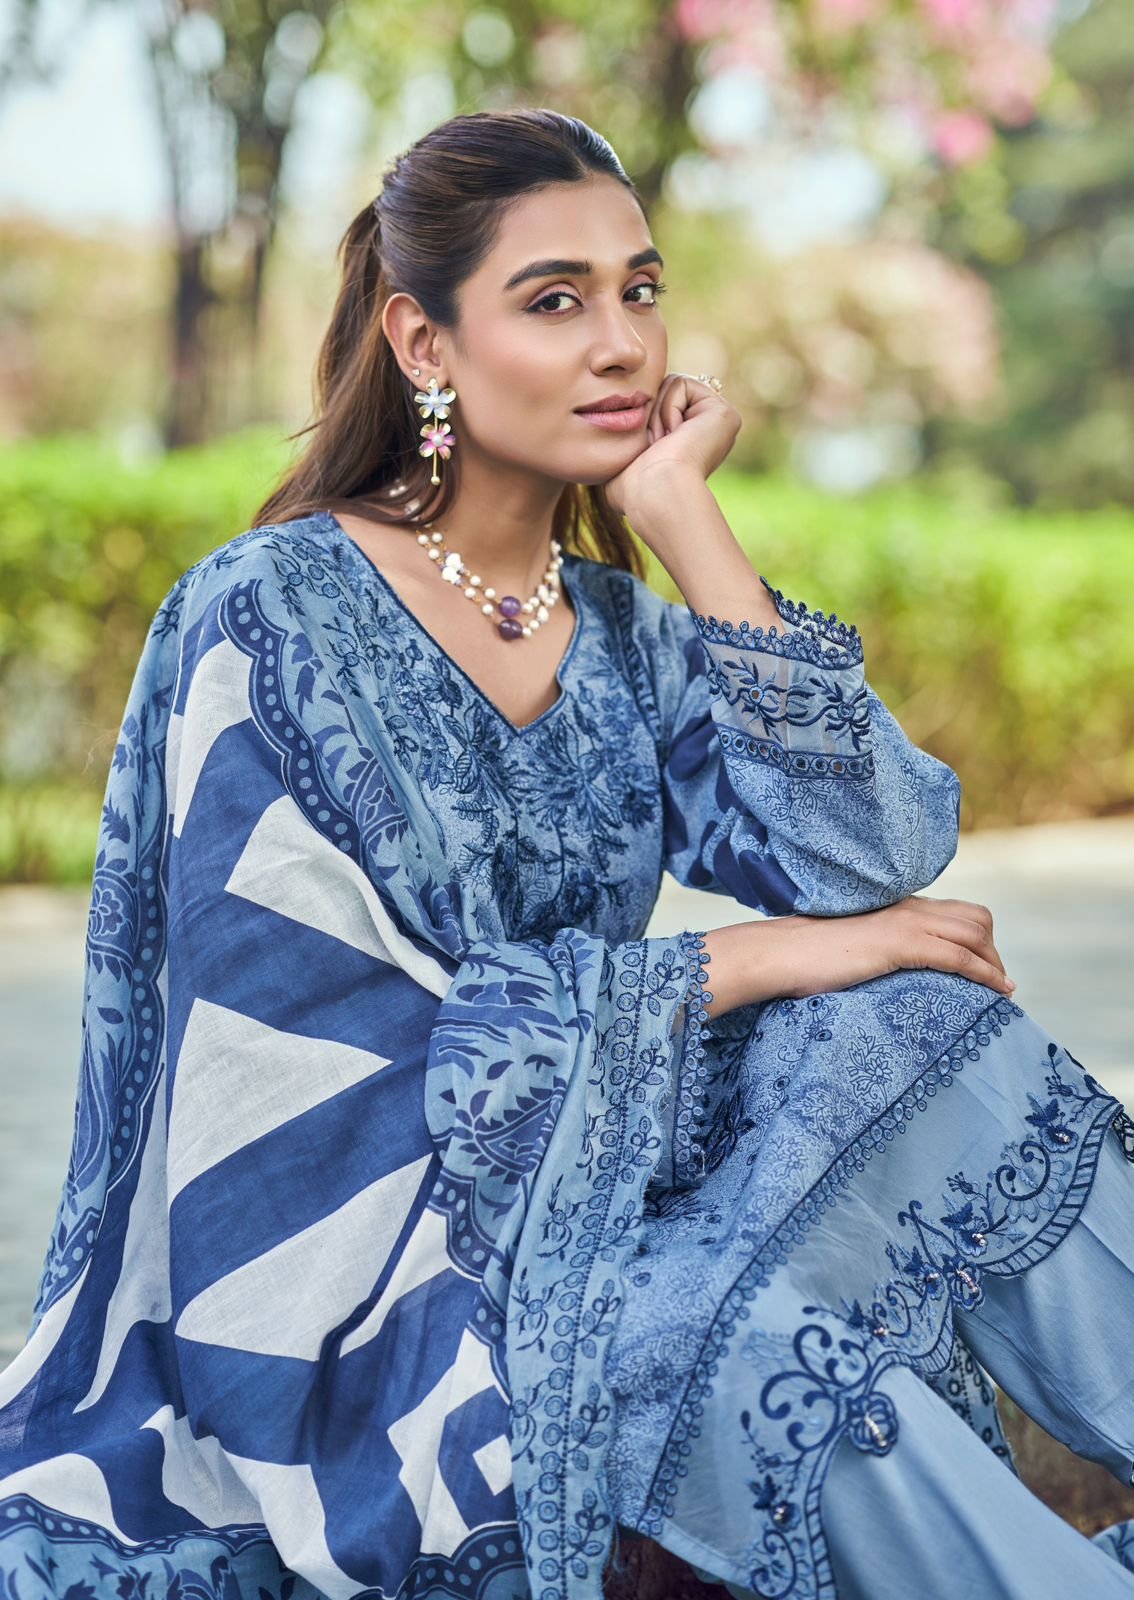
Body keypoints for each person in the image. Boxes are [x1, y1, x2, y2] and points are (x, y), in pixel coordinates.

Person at [1, 106, 1132, 1600]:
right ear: (425, 343)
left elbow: (877, 856)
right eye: (555, 301)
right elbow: (298, 1082)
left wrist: (683, 518)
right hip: (363, 1279)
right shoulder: (267, 618)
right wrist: (732, 961)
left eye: (639, 292)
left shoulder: (617, 638)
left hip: (610, 1175)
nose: (623, 345)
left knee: (922, 1016)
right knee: (718, 1349)